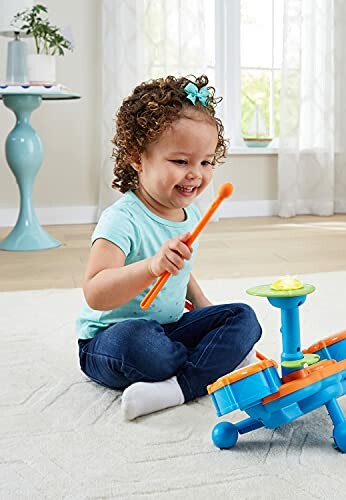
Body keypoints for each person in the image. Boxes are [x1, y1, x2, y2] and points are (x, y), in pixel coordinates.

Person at [75, 75, 262, 420]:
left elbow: (183, 271)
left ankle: (176, 388)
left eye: (205, 162)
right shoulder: (121, 219)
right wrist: (151, 267)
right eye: (180, 162)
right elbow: (96, 293)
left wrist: (207, 312)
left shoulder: (189, 213)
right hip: (112, 339)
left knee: (244, 319)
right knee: (143, 344)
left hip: (170, 327)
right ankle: (207, 367)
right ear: (137, 158)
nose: (195, 174)